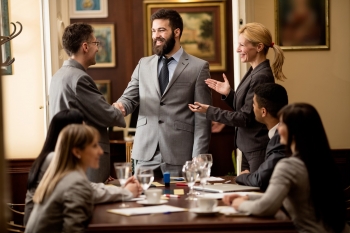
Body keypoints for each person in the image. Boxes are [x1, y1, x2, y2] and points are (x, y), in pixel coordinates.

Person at [114, 9, 212, 177]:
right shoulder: (143, 64)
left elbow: (202, 117)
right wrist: (119, 107)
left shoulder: (198, 67)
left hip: (180, 154)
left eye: (161, 30)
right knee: (142, 200)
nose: (156, 35)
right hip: (145, 153)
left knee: (179, 201)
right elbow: (129, 98)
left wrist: (199, 156)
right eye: (153, 30)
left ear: (176, 32)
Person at [223, 103, 349, 233]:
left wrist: (240, 204)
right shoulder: (322, 161)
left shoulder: (289, 166)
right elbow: (288, 198)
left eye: (281, 124)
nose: (278, 129)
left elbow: (266, 208)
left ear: (294, 131)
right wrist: (249, 198)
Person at [189, 22, 286, 173]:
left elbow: (245, 118)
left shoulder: (261, 76)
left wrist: (209, 111)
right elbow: (248, 109)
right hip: (249, 148)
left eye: (242, 45)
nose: (237, 49)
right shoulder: (254, 71)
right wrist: (229, 94)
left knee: (253, 193)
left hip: (256, 149)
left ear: (259, 47)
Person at [24, 109, 140, 225]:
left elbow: (86, 187)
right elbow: (88, 191)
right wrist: (125, 192)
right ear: (71, 135)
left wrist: (121, 190)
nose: (100, 151)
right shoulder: (53, 159)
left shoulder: (54, 157)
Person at [49, 22, 126, 183]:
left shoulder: (58, 75)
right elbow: (107, 115)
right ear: (85, 46)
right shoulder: (80, 78)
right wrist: (117, 109)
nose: (97, 48)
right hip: (84, 159)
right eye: (95, 43)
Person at [25, 124, 100, 232]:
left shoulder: (61, 174)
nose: (101, 151)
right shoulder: (75, 182)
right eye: (94, 145)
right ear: (77, 152)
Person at [235, 83, 288, 191]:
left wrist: (242, 176)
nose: (252, 107)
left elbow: (260, 179)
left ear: (263, 111)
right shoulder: (281, 133)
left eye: (253, 104)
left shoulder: (280, 139)